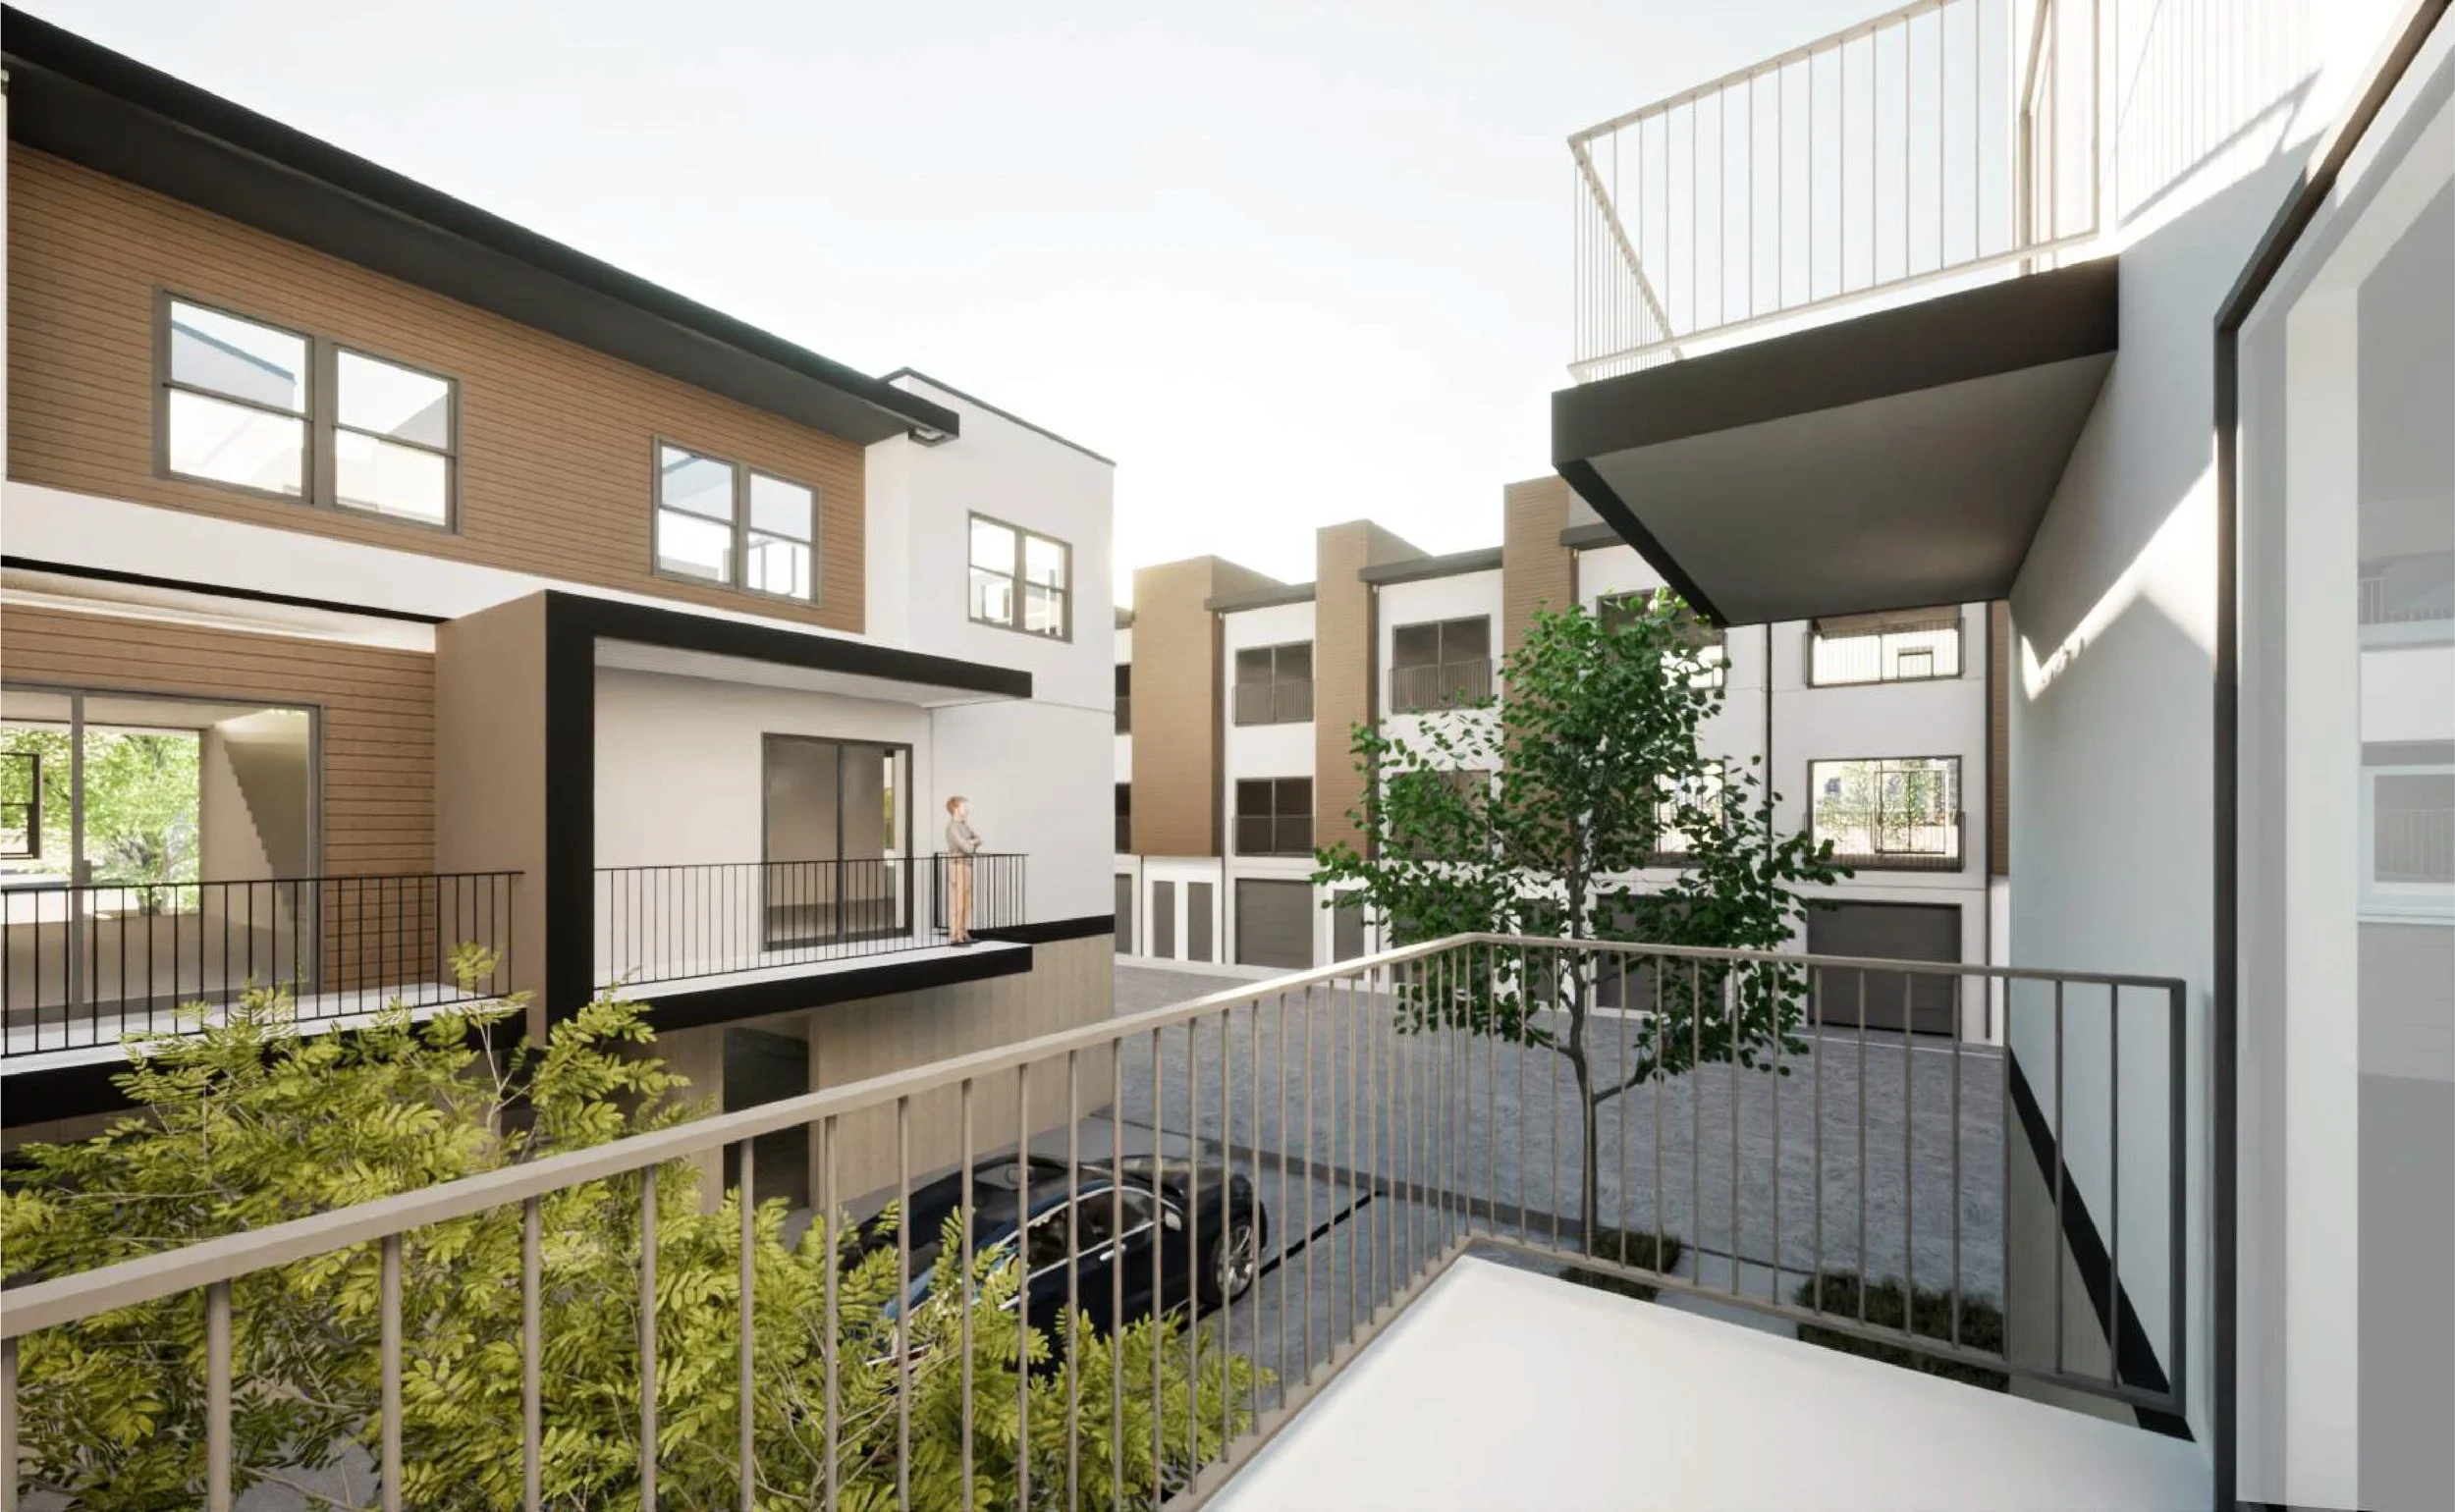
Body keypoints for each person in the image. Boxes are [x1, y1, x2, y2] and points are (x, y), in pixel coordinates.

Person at [944, 795, 981, 945]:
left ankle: (964, 931)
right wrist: (971, 843)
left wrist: (971, 842)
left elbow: (979, 839)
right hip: (957, 865)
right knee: (957, 901)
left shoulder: (964, 826)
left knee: (967, 900)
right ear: (955, 808)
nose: (966, 809)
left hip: (966, 865)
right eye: (963, 806)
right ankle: (955, 934)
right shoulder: (952, 828)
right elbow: (968, 847)